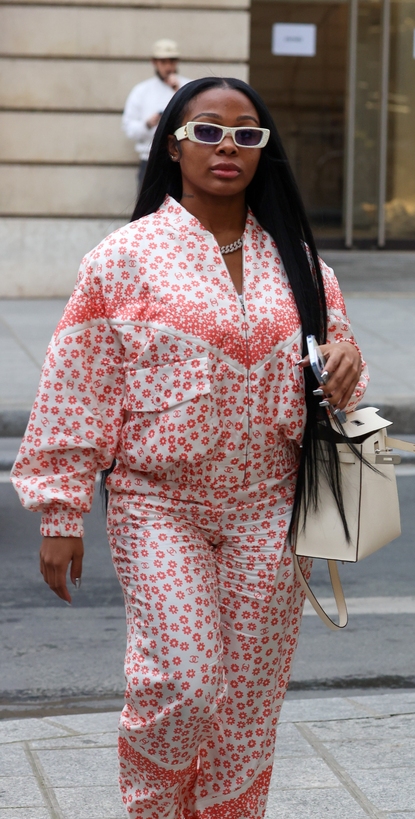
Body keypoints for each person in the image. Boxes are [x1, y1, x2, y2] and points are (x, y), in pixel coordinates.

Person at [13, 77, 367, 819]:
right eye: (207, 131)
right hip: (158, 503)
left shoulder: (304, 263)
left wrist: (346, 362)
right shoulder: (123, 258)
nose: (228, 146)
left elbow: (338, 369)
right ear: (172, 144)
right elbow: (78, 384)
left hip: (270, 504)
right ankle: (152, 808)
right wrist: (59, 512)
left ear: (265, 152)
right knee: (185, 679)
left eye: (246, 133)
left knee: (248, 697)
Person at [122, 39, 190, 190]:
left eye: (171, 61)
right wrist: (147, 124)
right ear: (154, 62)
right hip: (150, 160)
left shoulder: (188, 87)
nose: (168, 67)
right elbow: (129, 128)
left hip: (183, 160)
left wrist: (178, 91)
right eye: (163, 62)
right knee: (148, 209)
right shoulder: (142, 91)